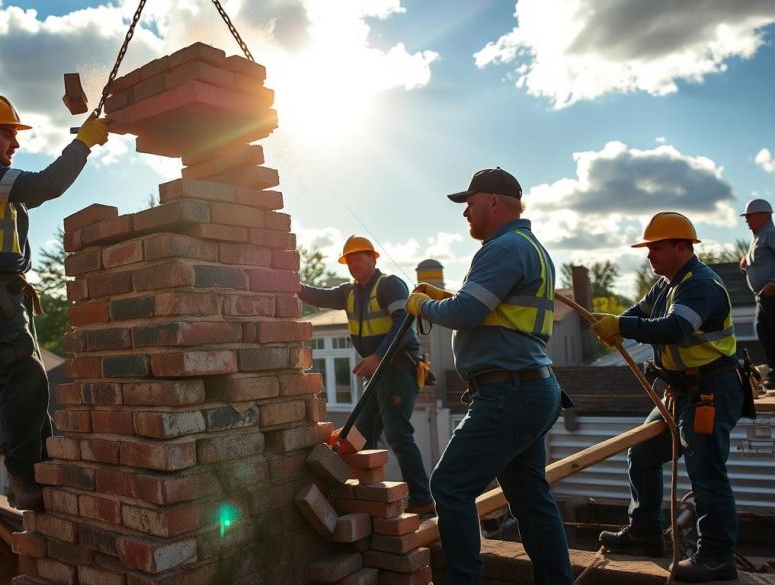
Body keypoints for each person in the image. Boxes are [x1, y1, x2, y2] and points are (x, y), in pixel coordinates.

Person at [0, 94, 108, 510]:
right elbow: (46, 184)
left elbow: (40, 189)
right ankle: (23, 477)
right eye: (7, 135)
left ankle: (42, 467)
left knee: (25, 380)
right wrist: (82, 143)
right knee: (24, 374)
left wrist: (81, 146)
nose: (15, 144)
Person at [405, 167, 572, 585]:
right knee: (530, 499)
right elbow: (487, 309)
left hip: (509, 392)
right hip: (530, 388)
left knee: (449, 486)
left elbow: (465, 313)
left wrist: (422, 306)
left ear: (493, 202)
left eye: (470, 203)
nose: (465, 213)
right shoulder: (527, 247)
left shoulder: (503, 248)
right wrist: (446, 298)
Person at [592, 211, 747, 582]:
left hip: (709, 391)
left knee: (706, 473)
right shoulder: (667, 285)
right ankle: (645, 531)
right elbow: (641, 312)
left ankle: (717, 557)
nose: (649, 255)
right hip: (682, 392)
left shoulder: (701, 284)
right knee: (643, 454)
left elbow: (676, 327)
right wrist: (618, 323)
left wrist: (621, 326)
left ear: (682, 246)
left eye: (656, 247)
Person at [298, 235, 435, 515]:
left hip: (398, 368)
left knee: (398, 434)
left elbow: (404, 323)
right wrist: (294, 286)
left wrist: (377, 357)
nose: (354, 265)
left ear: (373, 258)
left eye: (359, 259)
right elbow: (320, 296)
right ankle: (367, 498)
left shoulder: (389, 285)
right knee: (362, 435)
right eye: (349, 261)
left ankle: (422, 500)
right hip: (379, 373)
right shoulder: (349, 292)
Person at [740, 198, 775, 389]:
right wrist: (747, 259)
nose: (747, 220)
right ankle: (774, 372)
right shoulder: (759, 237)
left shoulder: (770, 234)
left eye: (750, 216)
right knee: (764, 330)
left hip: (772, 295)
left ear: (764, 216)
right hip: (763, 297)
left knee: (770, 331)